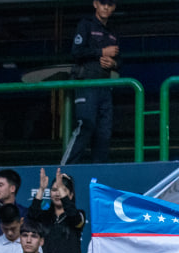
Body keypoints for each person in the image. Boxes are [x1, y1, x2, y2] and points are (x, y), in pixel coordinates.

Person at [69, 0, 120, 163]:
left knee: (104, 132)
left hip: (105, 86)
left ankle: (98, 171)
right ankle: (65, 170)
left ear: (114, 7)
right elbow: (76, 52)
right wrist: (101, 52)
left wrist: (113, 63)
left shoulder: (113, 30)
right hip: (86, 83)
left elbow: (121, 60)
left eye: (110, 4)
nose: (106, 7)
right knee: (86, 125)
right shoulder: (85, 24)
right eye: (103, 3)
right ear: (95, 4)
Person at [28, 170, 87, 253]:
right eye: (54, 190)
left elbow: (74, 216)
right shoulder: (45, 216)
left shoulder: (79, 214)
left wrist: (61, 191)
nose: (58, 193)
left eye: (62, 190)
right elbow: (31, 216)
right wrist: (41, 189)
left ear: (71, 195)